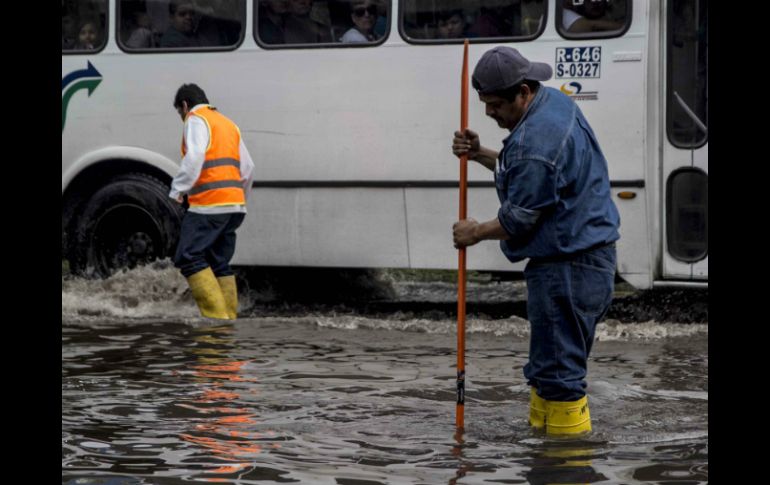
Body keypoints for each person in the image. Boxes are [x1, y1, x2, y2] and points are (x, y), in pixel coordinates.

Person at [451, 47, 620, 435]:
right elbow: (534, 173)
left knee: (560, 376)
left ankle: (566, 465)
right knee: (547, 371)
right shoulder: (554, 102)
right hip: (579, 260)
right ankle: (542, 453)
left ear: (523, 91)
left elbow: (519, 218)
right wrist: (479, 154)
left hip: (569, 266)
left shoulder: (537, 143)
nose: (490, 113)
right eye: (484, 104)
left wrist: (474, 232)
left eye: (495, 105)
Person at [170, 84, 255, 320]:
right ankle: (228, 322)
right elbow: (248, 168)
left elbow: (195, 156)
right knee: (219, 263)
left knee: (188, 257)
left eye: (180, 113)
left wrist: (177, 190)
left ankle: (216, 321)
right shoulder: (228, 124)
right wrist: (238, 199)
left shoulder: (196, 119)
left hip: (208, 205)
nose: (182, 118)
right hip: (234, 207)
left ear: (185, 106)